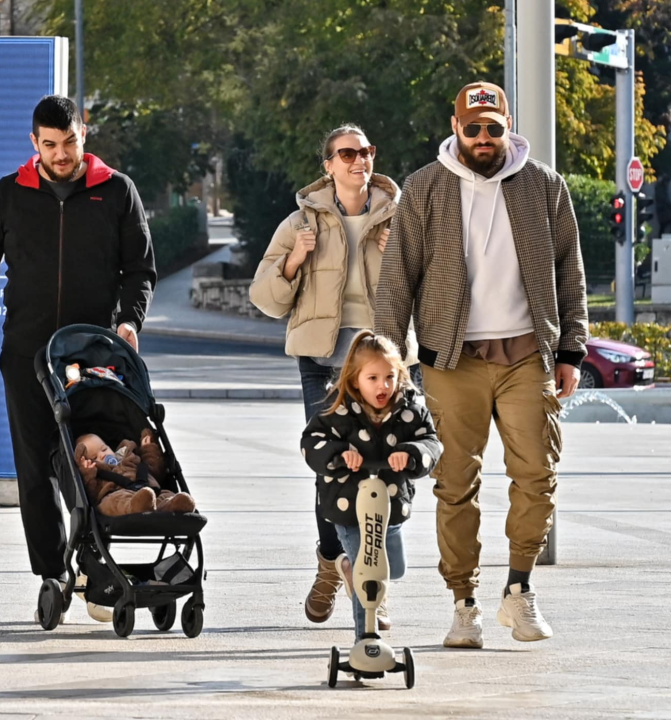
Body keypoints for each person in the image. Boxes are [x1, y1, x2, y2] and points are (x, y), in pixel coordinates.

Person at [374, 81, 588, 649]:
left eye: (495, 127)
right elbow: (398, 280)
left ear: (508, 125)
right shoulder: (424, 188)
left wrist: (571, 351)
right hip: (453, 357)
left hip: (527, 354)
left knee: (537, 477)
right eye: (475, 129)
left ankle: (519, 590)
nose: (485, 138)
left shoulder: (543, 184)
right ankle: (463, 602)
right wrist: (387, 362)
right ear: (456, 127)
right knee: (454, 484)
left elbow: (570, 269)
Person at [0, 96, 156, 621]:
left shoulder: (116, 190)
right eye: (50, 145)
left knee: (85, 456)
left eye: (69, 143)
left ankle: (92, 561)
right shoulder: (11, 194)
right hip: (27, 353)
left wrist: (129, 319)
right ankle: (52, 571)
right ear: (34, 143)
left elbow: (140, 269)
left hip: (92, 355)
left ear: (83, 135)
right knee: (33, 464)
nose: (61, 154)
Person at [248, 124, 416, 626]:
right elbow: (266, 299)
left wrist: (398, 261)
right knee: (334, 467)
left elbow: (432, 291)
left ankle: (351, 572)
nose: (357, 160)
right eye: (346, 153)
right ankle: (346, 568)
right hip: (323, 364)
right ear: (328, 165)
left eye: (365, 151)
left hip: (386, 364)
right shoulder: (300, 223)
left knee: (387, 469)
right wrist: (296, 259)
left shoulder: (401, 218)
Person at [301, 330, 441, 640]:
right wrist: (339, 455)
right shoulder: (337, 410)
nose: (383, 386)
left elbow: (431, 441)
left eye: (389, 377)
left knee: (394, 568)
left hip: (389, 505)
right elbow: (312, 442)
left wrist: (411, 453)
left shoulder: (409, 409)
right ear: (354, 380)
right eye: (373, 378)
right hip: (348, 507)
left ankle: (346, 566)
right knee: (368, 567)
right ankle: (366, 636)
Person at [74, 429, 196, 516]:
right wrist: (87, 472)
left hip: (150, 491)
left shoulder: (130, 457)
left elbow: (155, 471)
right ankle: (138, 506)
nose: (102, 455)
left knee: (166, 494)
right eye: (95, 457)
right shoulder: (97, 473)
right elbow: (92, 494)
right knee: (112, 502)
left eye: (104, 449)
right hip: (117, 494)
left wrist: (148, 449)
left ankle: (174, 505)